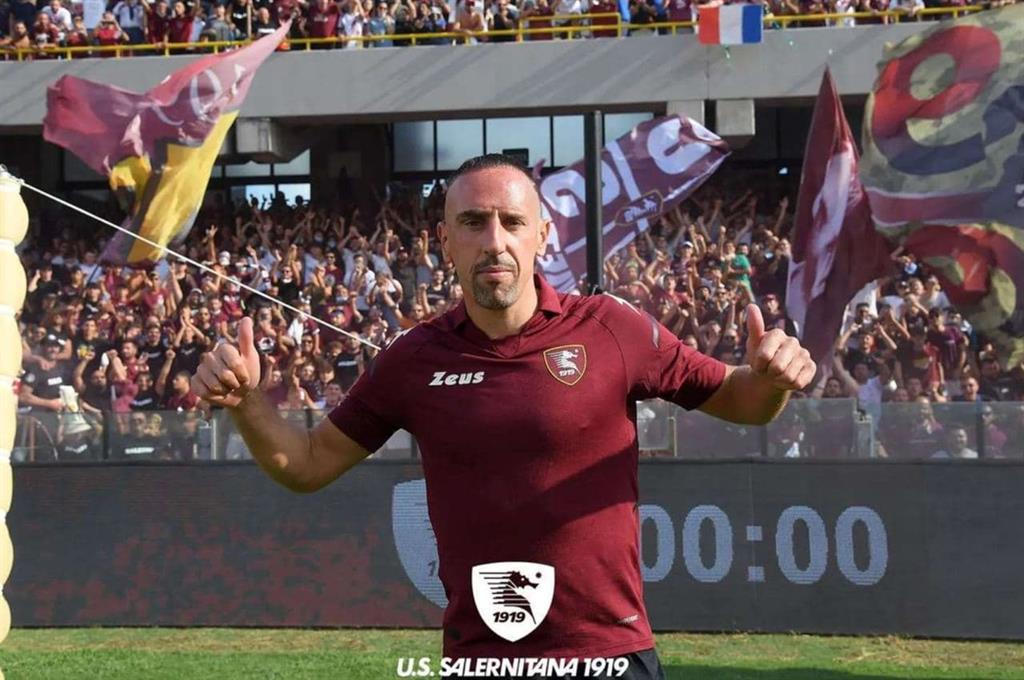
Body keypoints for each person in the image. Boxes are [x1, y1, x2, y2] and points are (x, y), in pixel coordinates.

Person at [193, 154, 816, 675]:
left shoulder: (612, 329)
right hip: (482, 660)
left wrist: (771, 378)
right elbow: (305, 464)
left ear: (541, 236)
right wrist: (246, 401)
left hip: (609, 656)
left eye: (512, 221)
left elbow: (744, 402)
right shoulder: (413, 359)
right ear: (446, 241)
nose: (495, 241)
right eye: (473, 222)